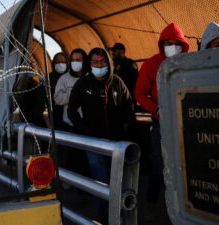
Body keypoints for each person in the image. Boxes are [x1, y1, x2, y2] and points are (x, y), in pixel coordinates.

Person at [68, 47, 134, 224]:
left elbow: (129, 105)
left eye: (102, 62)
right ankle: (102, 218)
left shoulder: (117, 82)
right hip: (94, 142)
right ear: (90, 64)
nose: (99, 65)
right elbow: (71, 111)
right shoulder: (83, 84)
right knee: (101, 181)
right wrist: (85, 129)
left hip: (116, 144)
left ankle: (118, 216)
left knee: (117, 180)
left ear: (109, 63)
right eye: (95, 62)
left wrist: (125, 129)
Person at [134, 23, 189, 221]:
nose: (172, 47)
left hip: (187, 124)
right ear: (161, 45)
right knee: (159, 166)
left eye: (176, 43)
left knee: (186, 166)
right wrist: (157, 110)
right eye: (168, 43)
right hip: (162, 124)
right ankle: (150, 202)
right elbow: (140, 93)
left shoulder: (189, 62)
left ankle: (185, 210)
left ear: (183, 45)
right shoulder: (152, 63)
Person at [54, 48, 87, 131]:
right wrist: (73, 95)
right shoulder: (64, 78)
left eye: (78, 60)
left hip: (88, 123)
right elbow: (57, 99)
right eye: (72, 60)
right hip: (69, 124)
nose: (75, 62)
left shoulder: (90, 77)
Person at [49, 52, 69, 129]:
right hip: (54, 117)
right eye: (57, 62)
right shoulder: (49, 78)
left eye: (63, 62)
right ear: (53, 64)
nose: (60, 64)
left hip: (69, 118)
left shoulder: (71, 77)